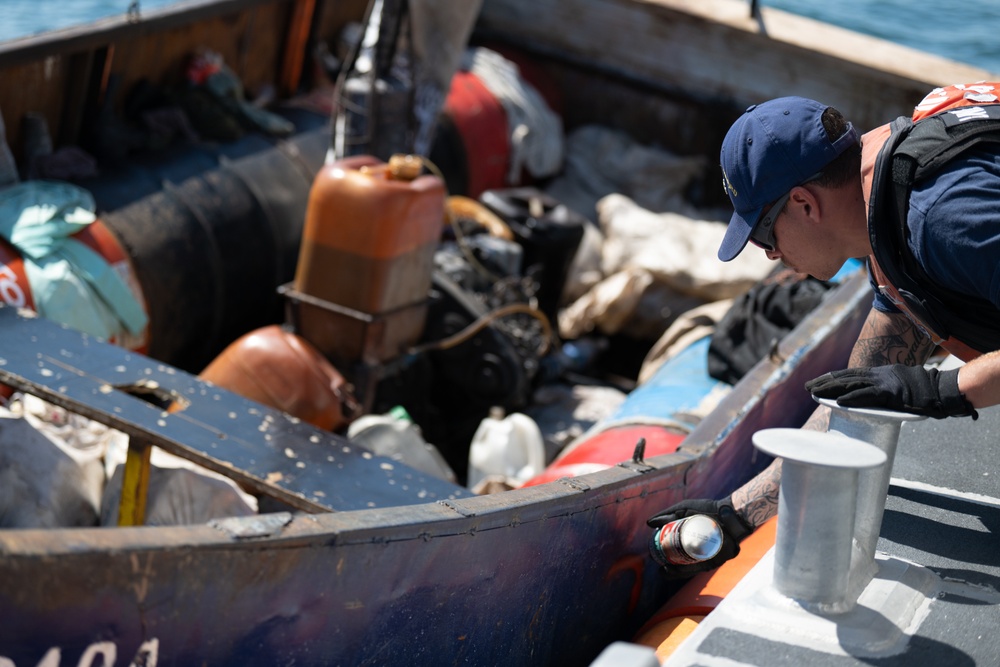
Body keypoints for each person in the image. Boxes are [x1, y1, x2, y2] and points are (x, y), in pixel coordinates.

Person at [647, 82, 1000, 577]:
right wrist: (735, 515)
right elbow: (855, 400)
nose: (769, 255)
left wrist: (942, 390)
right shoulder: (885, 211)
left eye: (764, 234)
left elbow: (918, 387)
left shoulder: (939, 217)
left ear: (804, 203)